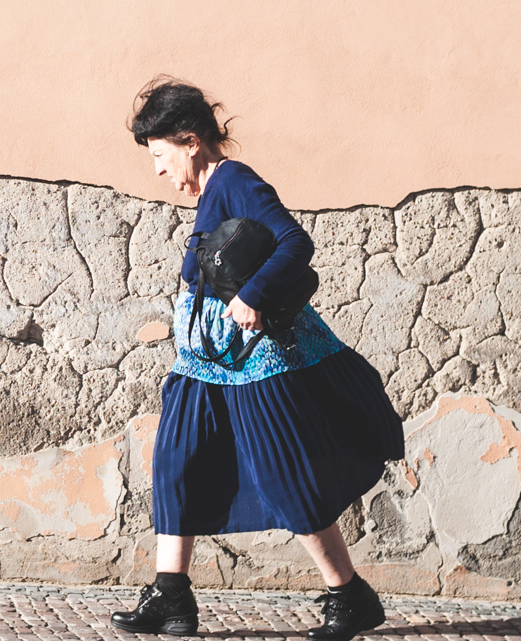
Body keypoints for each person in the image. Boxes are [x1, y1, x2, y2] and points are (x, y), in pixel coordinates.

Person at [110, 79, 403, 640]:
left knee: (282, 473)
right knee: (175, 460)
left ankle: (349, 596)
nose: (157, 171)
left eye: (159, 155)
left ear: (190, 140)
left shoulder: (236, 181)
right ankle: (171, 598)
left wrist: (252, 296)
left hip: (252, 361)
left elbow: (295, 243)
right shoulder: (211, 191)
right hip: (205, 362)